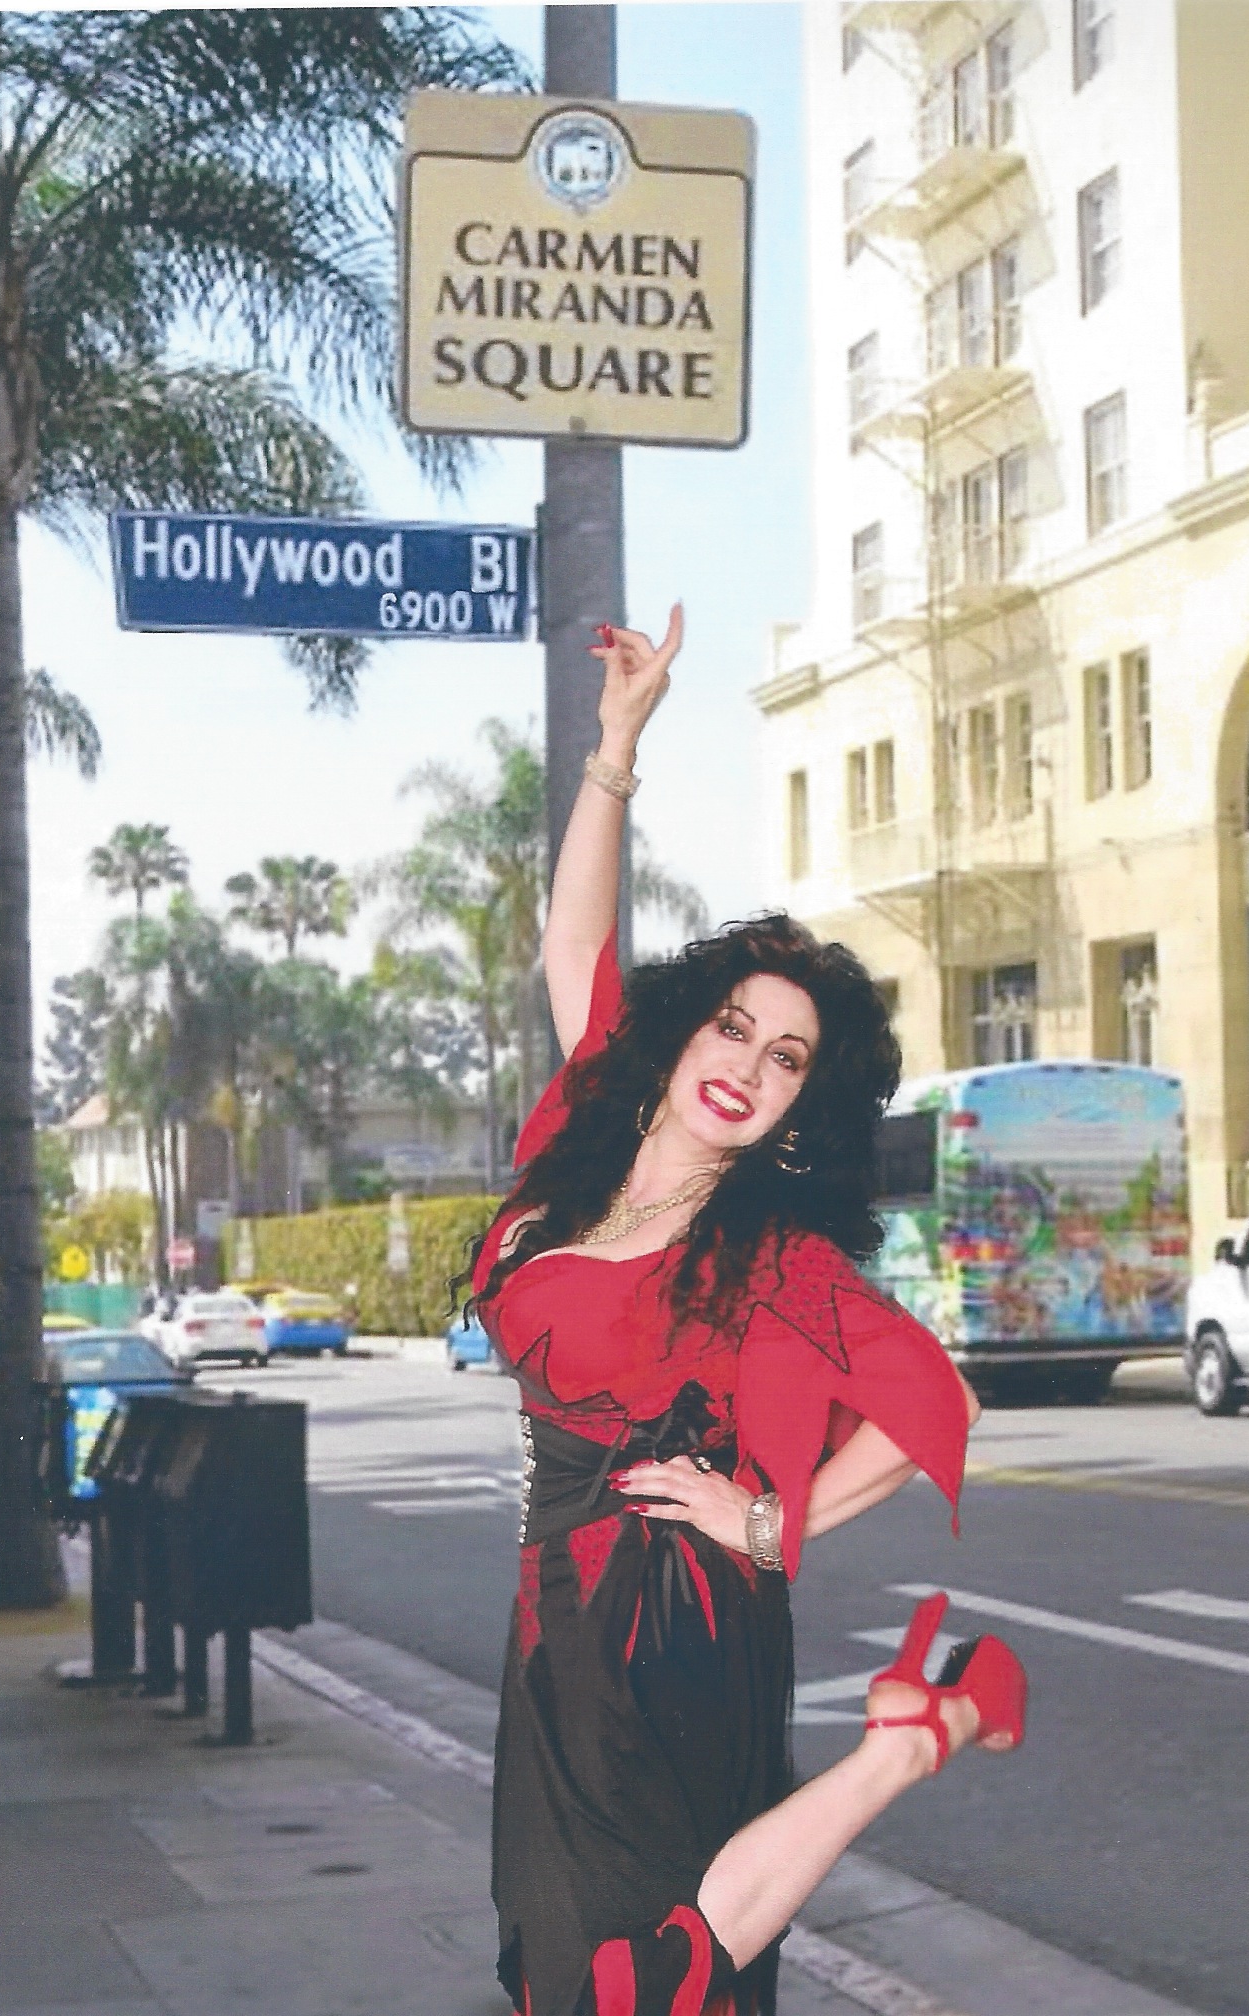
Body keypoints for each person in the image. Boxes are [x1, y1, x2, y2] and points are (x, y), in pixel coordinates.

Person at [469, 607, 1027, 2016]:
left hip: (676, 1617)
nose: (749, 1065)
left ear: (796, 1109)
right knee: (564, 1983)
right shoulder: (580, 1132)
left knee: (643, 1984)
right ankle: (934, 1715)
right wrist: (616, 744)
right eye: (731, 1027)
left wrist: (774, 1526)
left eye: (785, 1060)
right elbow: (575, 938)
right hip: (551, 1616)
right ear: (678, 1037)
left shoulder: (767, 1257)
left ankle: (915, 1739)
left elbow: (937, 1404)